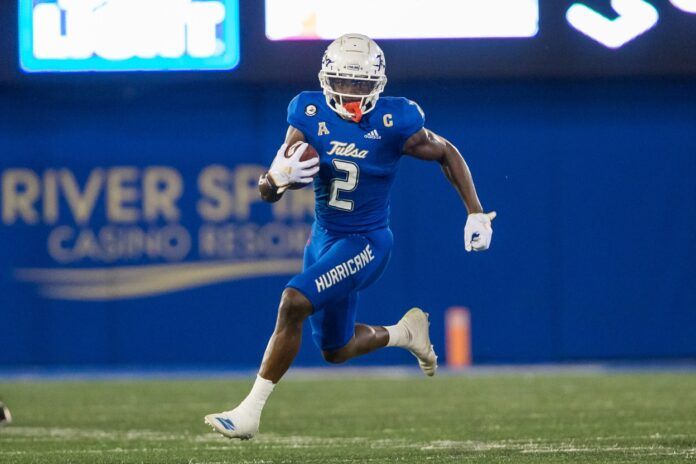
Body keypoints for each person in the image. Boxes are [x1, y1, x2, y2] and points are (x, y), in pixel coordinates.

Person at [205, 33, 495, 439]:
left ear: (377, 84)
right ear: (327, 80)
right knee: (335, 350)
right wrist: (273, 180)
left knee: (293, 301)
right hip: (323, 239)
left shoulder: (396, 121)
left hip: (367, 241)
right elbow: (269, 192)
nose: (351, 92)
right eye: (343, 81)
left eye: (360, 83)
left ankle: (249, 412)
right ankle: (405, 333)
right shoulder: (306, 112)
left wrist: (476, 212)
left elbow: (446, 151)